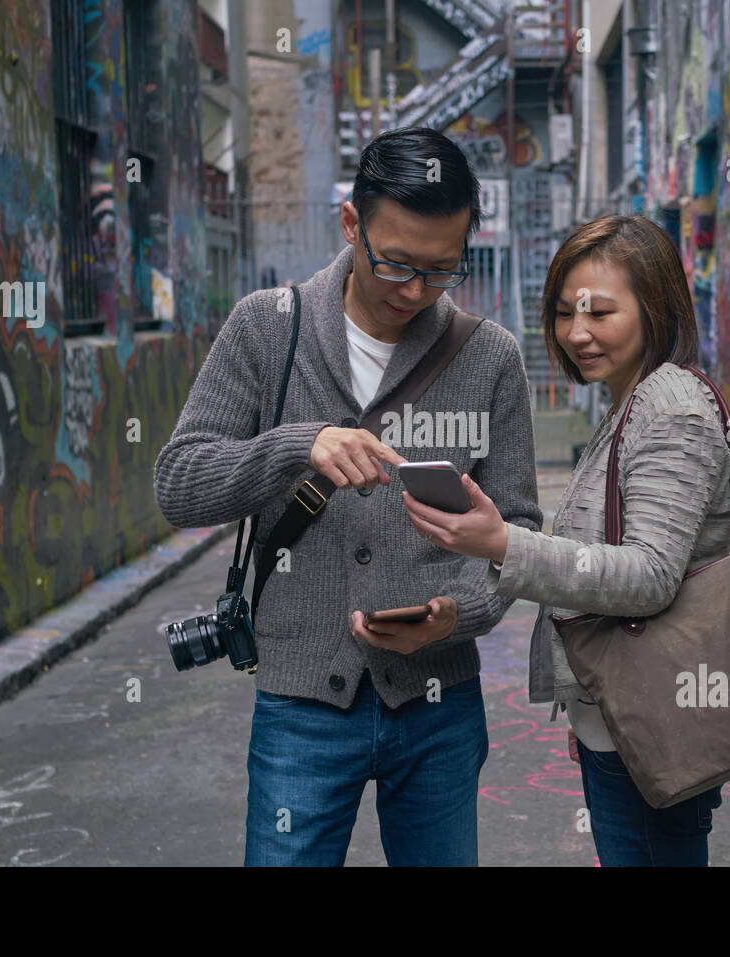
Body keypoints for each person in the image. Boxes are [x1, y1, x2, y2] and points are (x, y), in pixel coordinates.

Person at [154, 127, 542, 866]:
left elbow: (516, 527)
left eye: (440, 270)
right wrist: (298, 446)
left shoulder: (489, 356)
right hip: (302, 703)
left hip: (439, 702)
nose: (413, 290)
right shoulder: (268, 330)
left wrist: (458, 612)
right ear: (349, 224)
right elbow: (179, 481)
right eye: (394, 261)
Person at [403, 214, 730, 866]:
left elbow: (648, 576)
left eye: (599, 312)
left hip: (653, 725)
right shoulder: (634, 400)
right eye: (563, 312)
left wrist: (504, 544)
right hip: (626, 717)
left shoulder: (670, 409)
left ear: (656, 306)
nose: (576, 333)